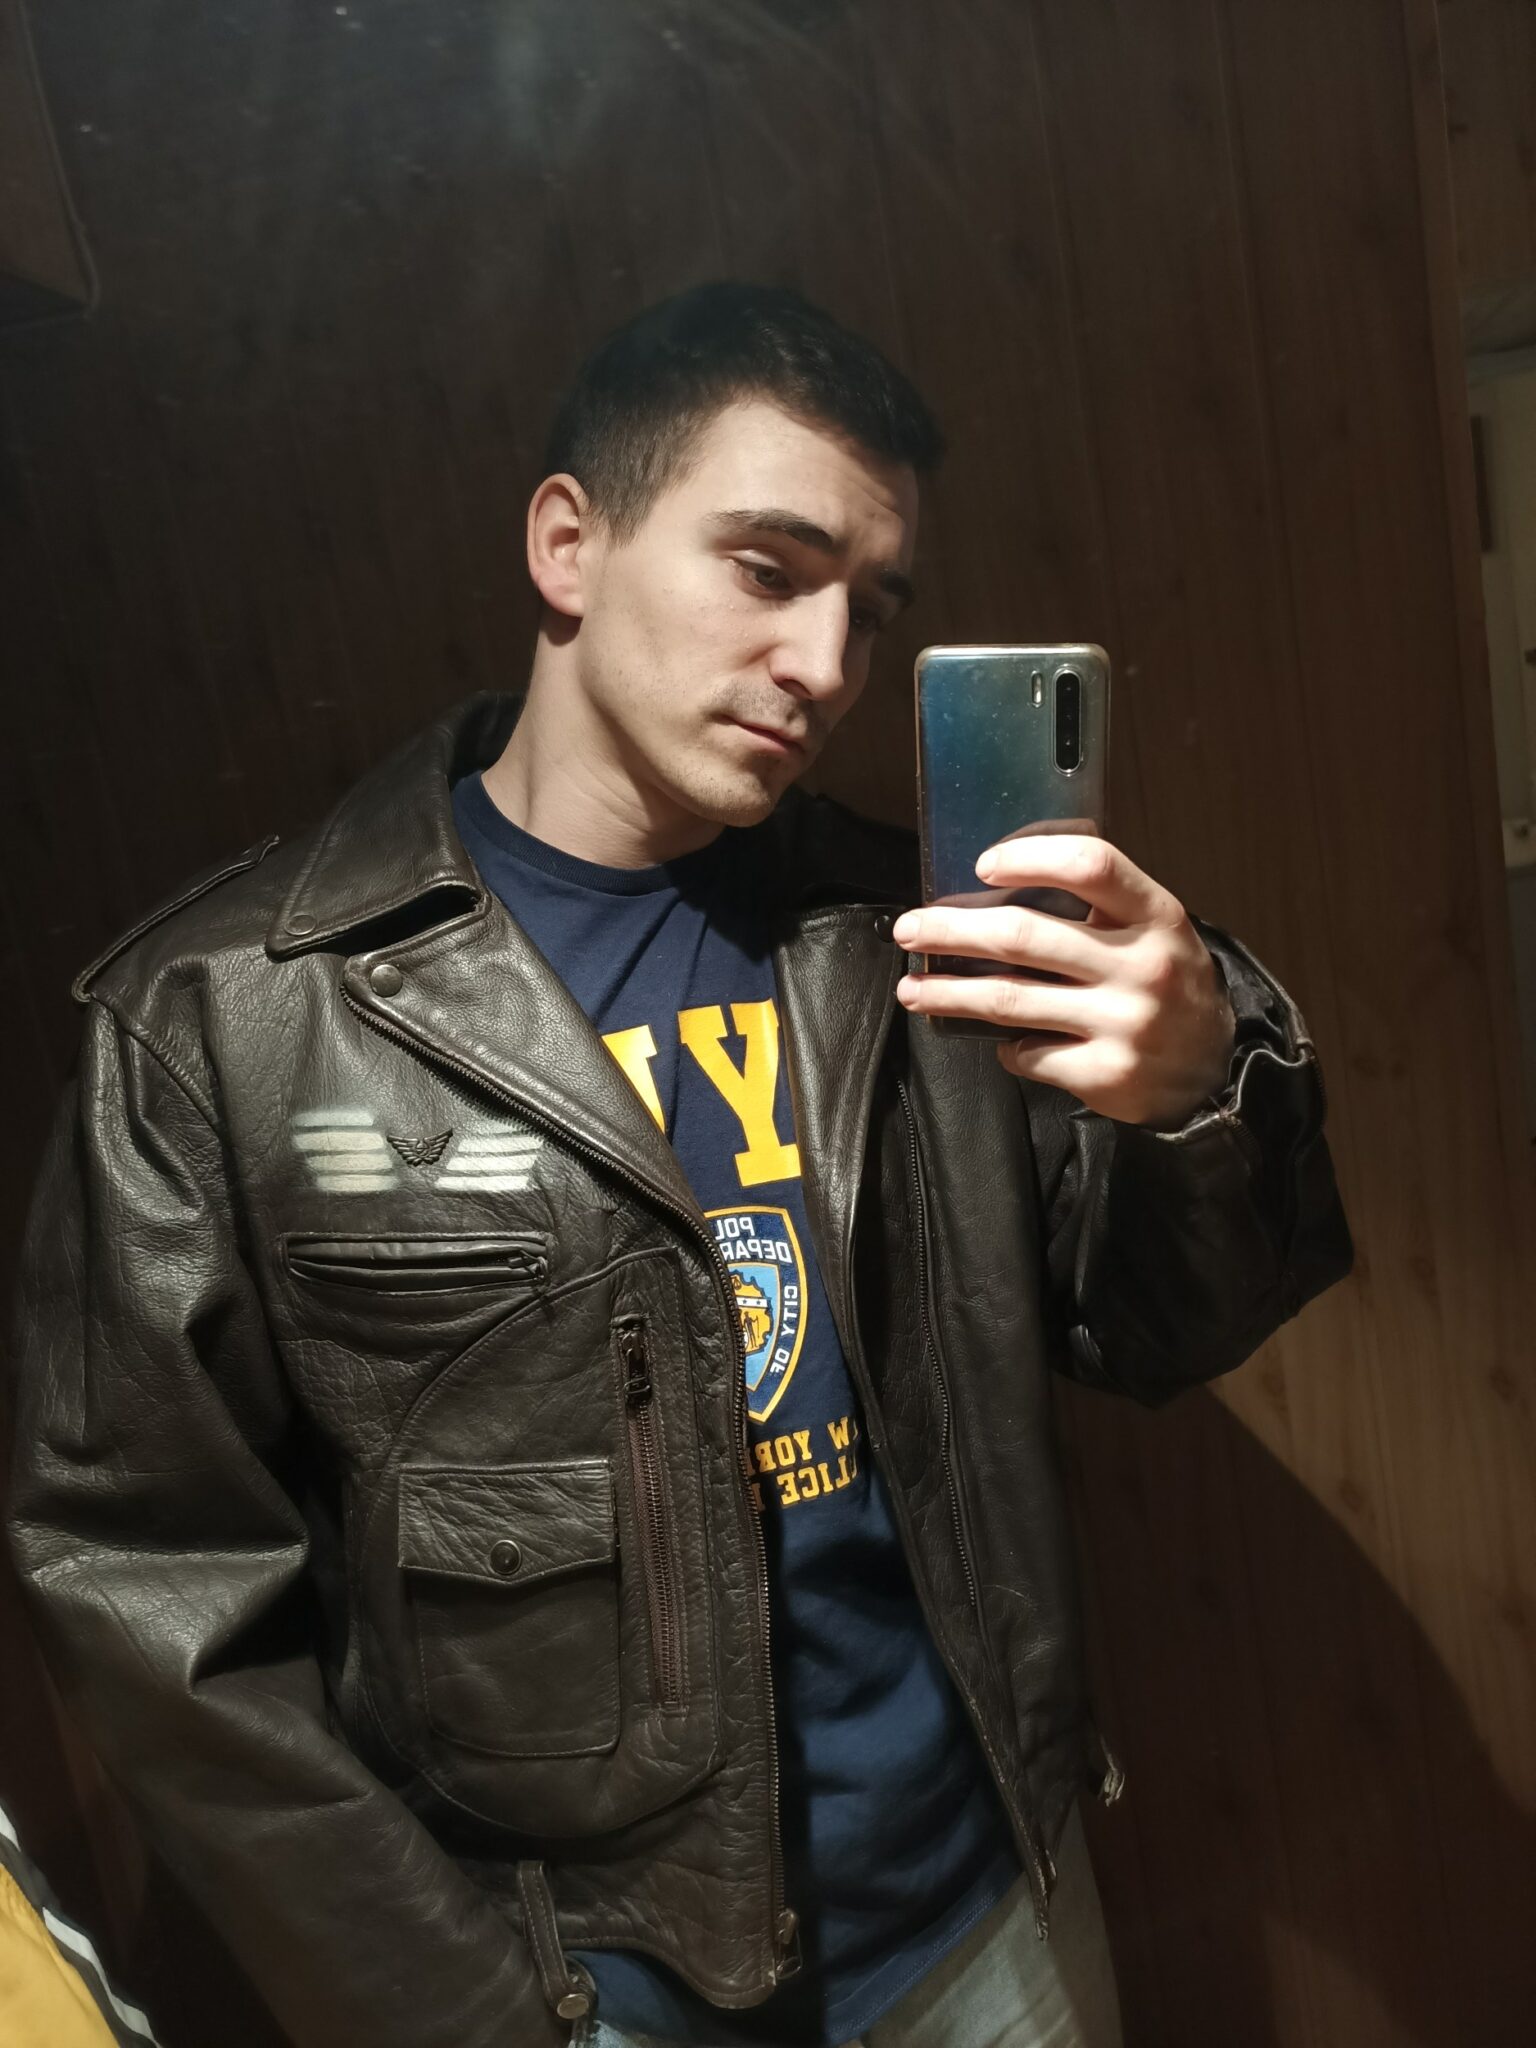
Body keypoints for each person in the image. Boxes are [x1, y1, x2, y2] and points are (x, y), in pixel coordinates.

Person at [6, 282, 1352, 2048]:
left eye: (871, 608)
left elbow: (1156, 1326)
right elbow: (149, 1592)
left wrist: (1195, 1094)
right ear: (569, 545)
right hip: (582, 1990)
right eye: (770, 570)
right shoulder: (230, 1021)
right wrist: (453, 2013)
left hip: (982, 1914)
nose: (826, 665)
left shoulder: (911, 945)